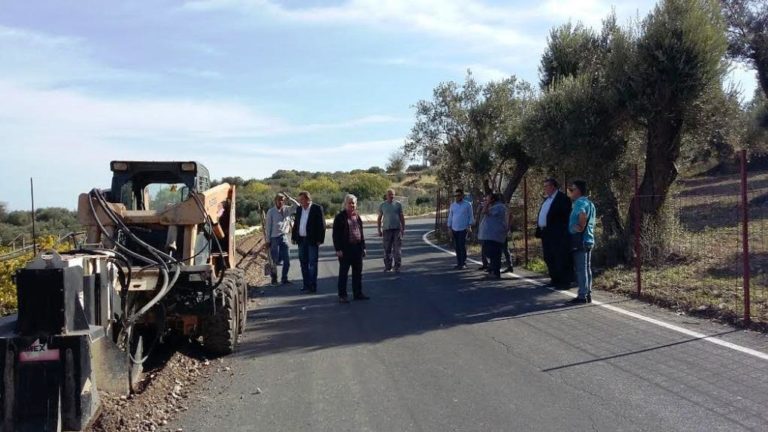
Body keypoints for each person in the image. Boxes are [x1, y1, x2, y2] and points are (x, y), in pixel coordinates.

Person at [333, 194, 369, 303]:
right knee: (343, 273)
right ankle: (342, 296)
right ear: (345, 204)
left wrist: (363, 247)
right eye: (349, 203)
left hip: (357, 248)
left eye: (353, 203)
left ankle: (358, 293)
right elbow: (336, 235)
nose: (352, 205)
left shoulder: (357, 217)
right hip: (345, 249)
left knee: (358, 273)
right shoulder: (340, 217)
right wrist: (338, 249)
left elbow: (361, 233)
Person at [536, 178, 572, 288]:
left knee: (559, 257)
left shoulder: (562, 198)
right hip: (545, 233)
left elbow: (566, 216)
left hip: (557, 234)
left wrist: (562, 232)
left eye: (546, 186)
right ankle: (555, 279)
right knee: (548, 257)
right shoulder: (547, 200)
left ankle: (564, 282)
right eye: (544, 186)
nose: (545, 188)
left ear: (553, 186)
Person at [567, 180, 596, 304]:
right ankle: (588, 293)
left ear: (578, 190)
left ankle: (582, 295)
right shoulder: (590, 203)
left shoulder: (579, 203)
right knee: (587, 268)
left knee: (580, 269)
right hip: (589, 239)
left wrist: (579, 226)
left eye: (572, 190)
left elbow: (582, 214)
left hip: (580, 240)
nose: (570, 192)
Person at [291, 191, 325, 293]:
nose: (300, 201)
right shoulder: (299, 209)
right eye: (299, 200)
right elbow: (296, 224)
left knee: (312, 264)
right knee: (303, 263)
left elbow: (321, 225)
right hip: (301, 240)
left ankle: (312, 286)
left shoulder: (316, 208)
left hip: (312, 240)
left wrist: (320, 239)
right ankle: (306, 285)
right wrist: (294, 237)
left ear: (307, 199)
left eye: (302, 199)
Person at [265, 193, 297, 285]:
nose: (281, 201)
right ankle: (274, 279)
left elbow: (297, 206)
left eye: (282, 200)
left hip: (284, 237)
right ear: (275, 201)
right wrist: (268, 241)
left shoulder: (287, 209)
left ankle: (284, 278)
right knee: (274, 260)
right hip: (274, 238)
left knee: (287, 260)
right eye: (279, 200)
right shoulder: (271, 211)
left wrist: (290, 198)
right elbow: (268, 226)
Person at [477, 193, 507, 280]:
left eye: (487, 199)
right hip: (489, 235)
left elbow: (485, 212)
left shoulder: (499, 207)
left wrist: (486, 205)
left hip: (495, 235)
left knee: (494, 254)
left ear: (493, 199)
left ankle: (495, 272)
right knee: (489, 252)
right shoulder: (493, 206)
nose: (486, 201)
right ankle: (492, 270)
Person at [377, 188, 405, 272]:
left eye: (392, 194)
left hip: (397, 230)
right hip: (386, 230)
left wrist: (403, 228)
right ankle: (388, 266)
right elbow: (379, 218)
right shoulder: (383, 205)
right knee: (387, 249)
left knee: (397, 249)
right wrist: (379, 229)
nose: (391, 196)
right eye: (389, 194)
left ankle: (397, 266)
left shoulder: (398, 205)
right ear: (386, 195)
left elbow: (401, 217)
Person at [446, 188, 474, 269]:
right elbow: (450, 217)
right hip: (454, 228)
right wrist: (449, 228)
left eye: (458, 195)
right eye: (455, 196)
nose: (457, 197)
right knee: (457, 246)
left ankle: (463, 263)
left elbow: (471, 217)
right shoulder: (453, 205)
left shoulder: (468, 205)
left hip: (463, 228)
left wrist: (469, 226)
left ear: (462, 195)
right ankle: (459, 263)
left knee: (462, 245)